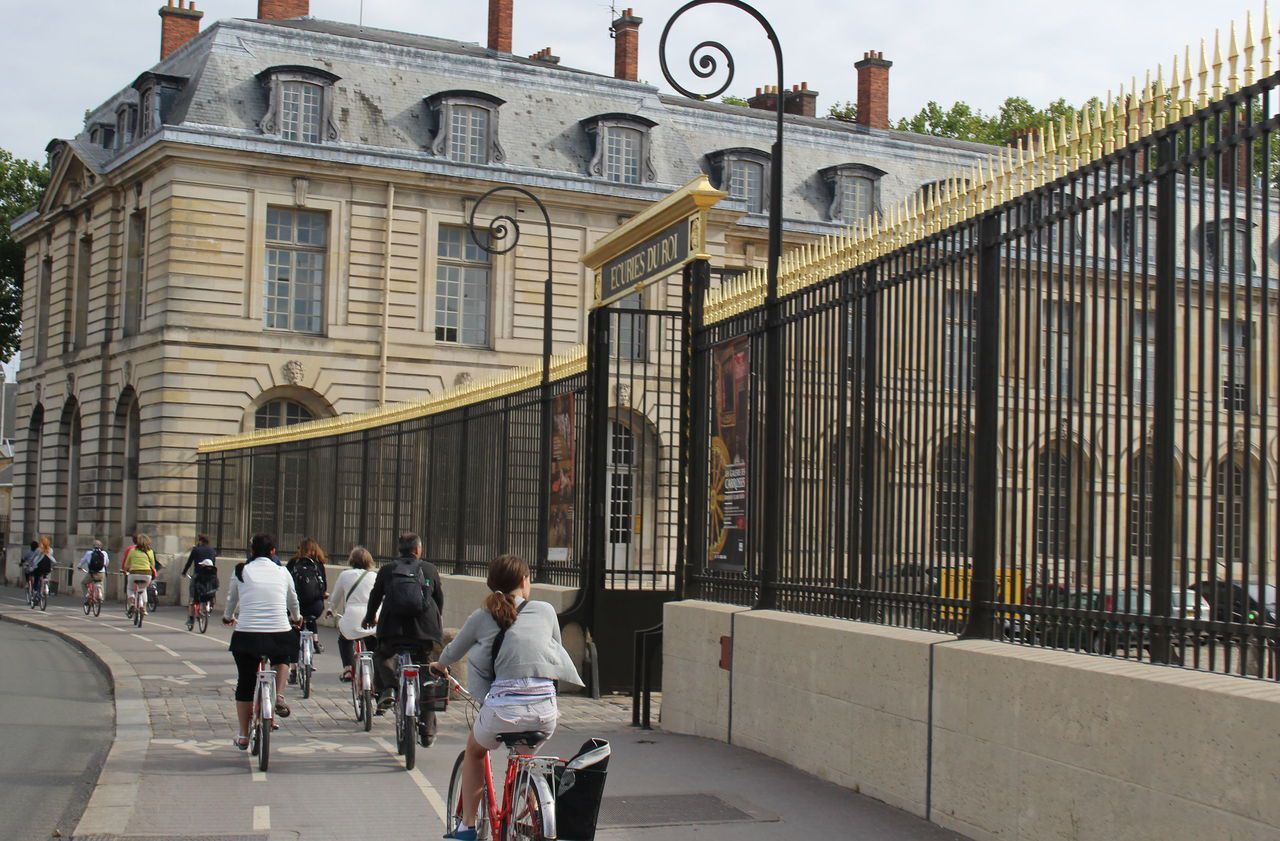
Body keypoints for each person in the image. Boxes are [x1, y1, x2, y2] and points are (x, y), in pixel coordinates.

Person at [431, 554, 583, 841]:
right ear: (525, 581)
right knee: (525, 761)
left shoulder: (481, 616)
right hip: (545, 711)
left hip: (503, 710)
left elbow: (452, 652)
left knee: (475, 751)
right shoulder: (546, 610)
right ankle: (537, 819)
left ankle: (466, 827)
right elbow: (555, 653)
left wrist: (439, 666)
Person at [222, 533, 302, 750]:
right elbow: (292, 599)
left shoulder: (241, 570)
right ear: (273, 551)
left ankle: (243, 734)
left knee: (245, 683)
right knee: (283, 656)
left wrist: (227, 617)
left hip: (247, 635)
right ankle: (279, 694)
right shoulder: (282, 571)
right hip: (278, 633)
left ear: (252, 551)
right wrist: (296, 618)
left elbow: (231, 599)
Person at [361, 532, 444, 737]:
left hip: (393, 630)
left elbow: (375, 597)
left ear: (400, 550)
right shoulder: (429, 569)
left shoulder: (388, 570)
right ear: (418, 550)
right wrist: (436, 621)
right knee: (426, 671)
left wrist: (370, 617)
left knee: (382, 655)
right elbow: (439, 599)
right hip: (423, 631)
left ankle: (389, 688)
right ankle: (428, 729)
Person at [326, 546, 378, 682]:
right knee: (373, 641)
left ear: (351, 560)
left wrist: (332, 609)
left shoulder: (345, 575)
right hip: (371, 618)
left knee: (344, 639)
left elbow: (335, 597)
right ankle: (377, 669)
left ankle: (348, 668)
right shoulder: (374, 576)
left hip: (352, 617)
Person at [286, 539, 329, 653]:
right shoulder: (318, 564)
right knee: (311, 616)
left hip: (295, 604)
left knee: (296, 619)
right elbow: (324, 587)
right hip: (316, 607)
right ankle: (315, 642)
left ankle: (294, 645)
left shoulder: (292, 563)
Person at [182, 534, 220, 630]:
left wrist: (184, 572)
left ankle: (191, 618)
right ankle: (211, 602)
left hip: (198, 575)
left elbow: (189, 562)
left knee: (192, 598)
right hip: (211, 575)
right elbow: (213, 564)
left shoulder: (196, 550)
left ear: (200, 541)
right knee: (211, 588)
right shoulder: (212, 551)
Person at [122, 534, 158, 615]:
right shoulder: (150, 551)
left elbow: (127, 565)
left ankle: (131, 604)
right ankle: (144, 608)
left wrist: (126, 569)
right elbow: (152, 564)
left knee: (130, 589)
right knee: (143, 589)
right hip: (147, 574)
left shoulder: (132, 551)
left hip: (134, 573)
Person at [28, 537, 55, 605]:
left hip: (39, 568)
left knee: (36, 578)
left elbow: (33, 558)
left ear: (41, 543)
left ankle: (35, 591)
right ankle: (45, 587)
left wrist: (29, 564)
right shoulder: (50, 550)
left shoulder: (38, 549)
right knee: (44, 576)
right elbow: (51, 559)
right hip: (47, 568)